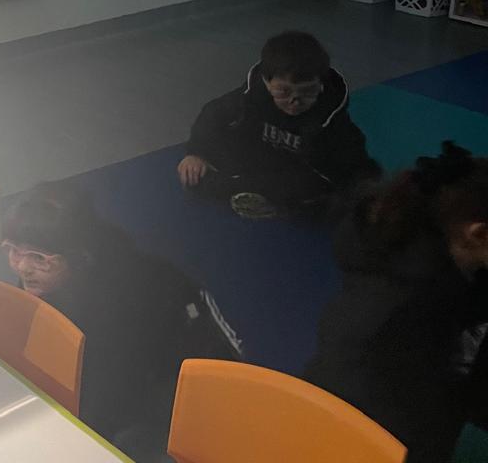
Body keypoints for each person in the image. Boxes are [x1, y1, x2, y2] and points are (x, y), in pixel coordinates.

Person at [2, 184, 242, 460]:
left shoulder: (124, 299)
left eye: (39, 258)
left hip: (176, 392)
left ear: (79, 258)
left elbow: (110, 394)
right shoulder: (48, 278)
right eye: (14, 251)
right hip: (119, 383)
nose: (22, 268)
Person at [307, 143, 488, 463]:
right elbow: (437, 405)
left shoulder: (422, 237)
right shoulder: (409, 316)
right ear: (478, 233)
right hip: (375, 434)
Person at [177, 31, 379, 216]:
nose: (295, 101)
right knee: (195, 173)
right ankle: (258, 196)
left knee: (315, 193)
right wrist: (196, 153)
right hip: (254, 158)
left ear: (321, 85)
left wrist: (367, 195)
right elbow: (212, 115)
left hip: (295, 172)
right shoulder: (250, 98)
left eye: (308, 92)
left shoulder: (330, 117)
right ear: (267, 83)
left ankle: (272, 201)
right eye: (283, 92)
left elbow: (356, 163)